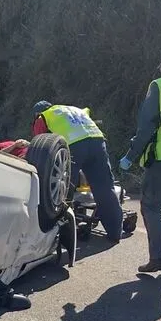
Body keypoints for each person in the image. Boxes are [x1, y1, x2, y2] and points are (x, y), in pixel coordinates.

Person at [32, 101, 123, 243]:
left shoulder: (43, 117)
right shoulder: (73, 110)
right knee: (104, 188)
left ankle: (61, 234)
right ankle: (115, 233)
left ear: (38, 113)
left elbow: (42, 147)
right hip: (97, 141)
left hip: (74, 144)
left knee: (64, 190)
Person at [119, 48, 161, 273]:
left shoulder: (160, 86)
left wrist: (131, 156)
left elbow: (147, 126)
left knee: (151, 206)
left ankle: (158, 257)